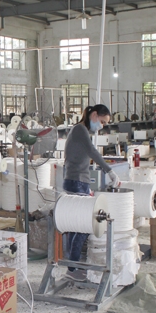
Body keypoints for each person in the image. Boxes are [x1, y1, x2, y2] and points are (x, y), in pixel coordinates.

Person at [63, 104, 120, 281]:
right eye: (102, 122)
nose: (102, 126)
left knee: (75, 226)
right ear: (94, 115)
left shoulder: (79, 131)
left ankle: (72, 267)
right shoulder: (80, 129)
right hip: (77, 182)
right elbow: (92, 151)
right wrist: (109, 171)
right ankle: (72, 269)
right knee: (83, 226)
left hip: (75, 181)